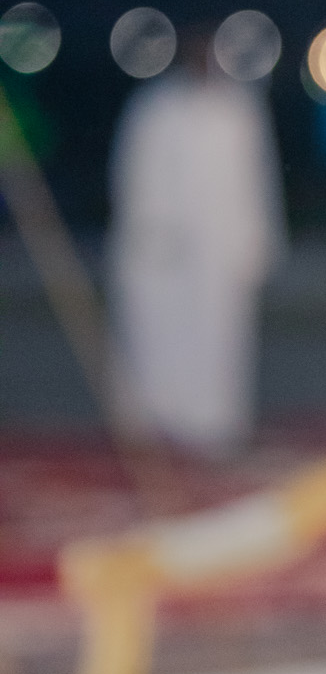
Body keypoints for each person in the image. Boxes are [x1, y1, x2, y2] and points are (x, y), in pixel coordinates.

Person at [108, 25, 284, 453]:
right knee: (156, 331)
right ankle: (154, 419)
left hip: (222, 245)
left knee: (220, 335)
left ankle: (214, 423)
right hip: (162, 246)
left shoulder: (239, 110)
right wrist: (148, 229)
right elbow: (133, 174)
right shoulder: (156, 107)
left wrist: (258, 240)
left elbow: (258, 179)